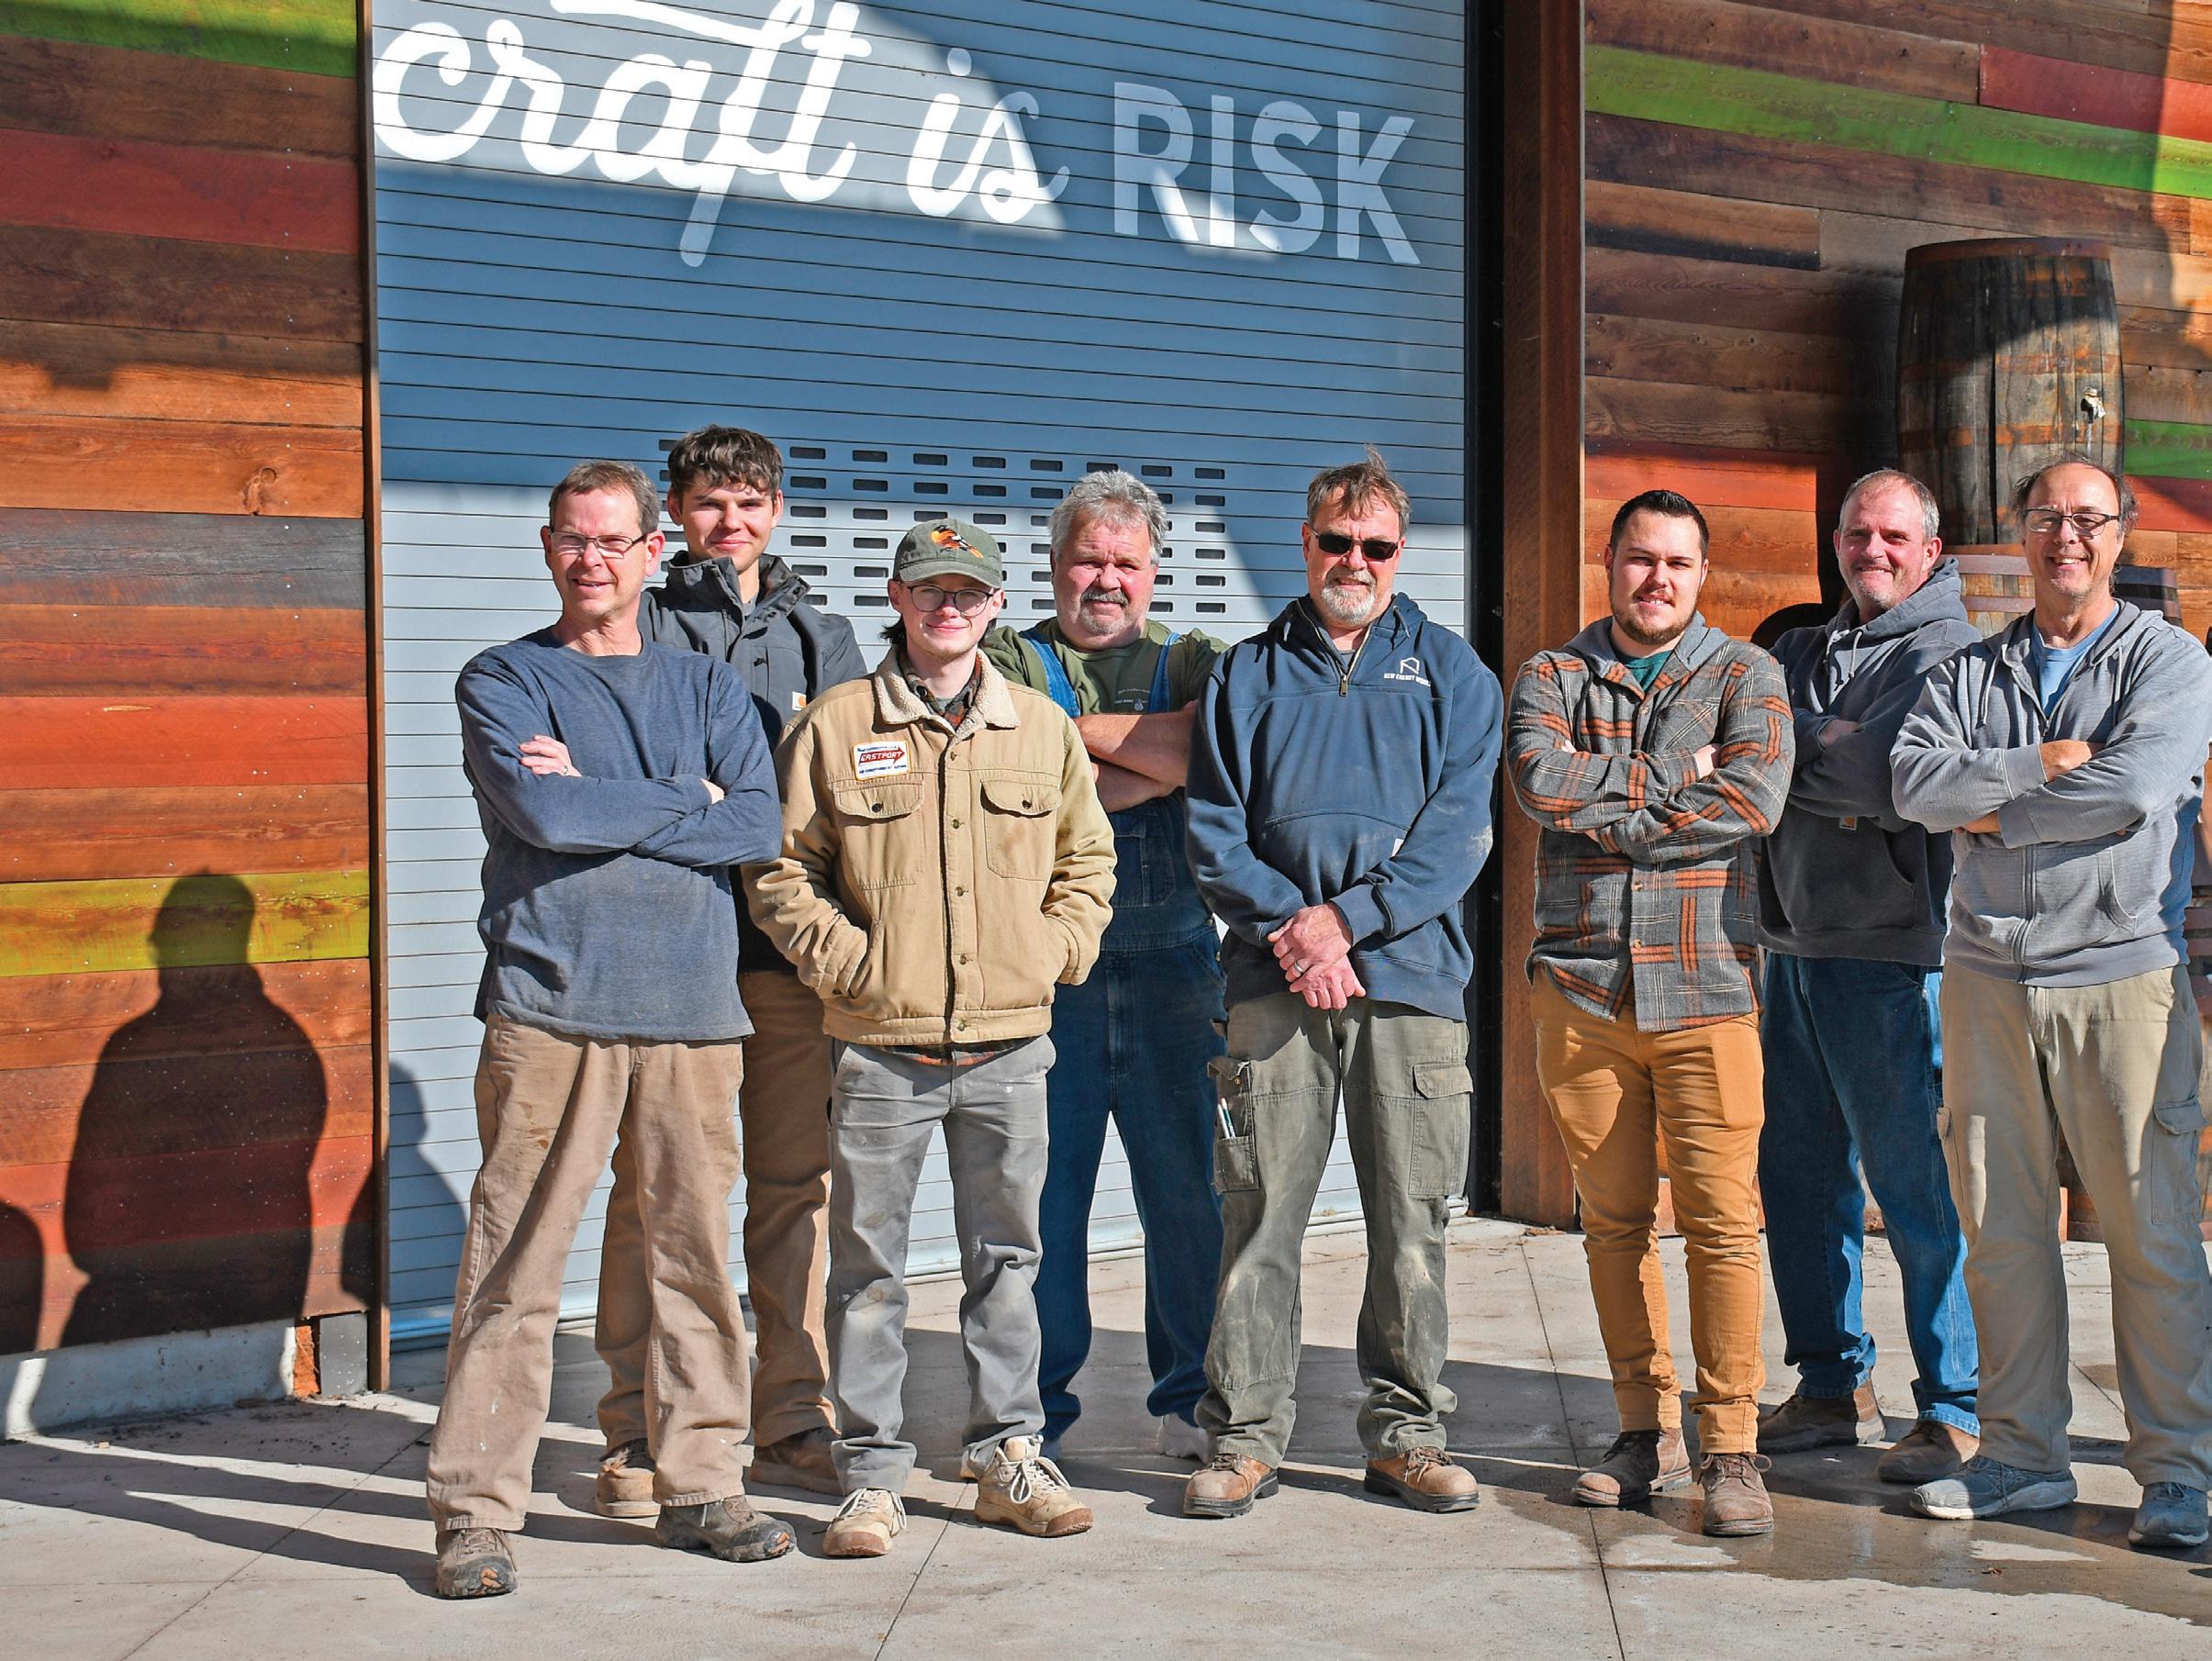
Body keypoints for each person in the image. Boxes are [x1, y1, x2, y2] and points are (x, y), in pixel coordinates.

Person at [425, 460, 787, 1598]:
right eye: (573, 540)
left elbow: (757, 826)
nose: (592, 559)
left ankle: (702, 1485)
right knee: (514, 1269)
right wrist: (687, 794)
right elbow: (544, 810)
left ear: (649, 552)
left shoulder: (709, 687)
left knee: (694, 1262)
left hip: (692, 1016)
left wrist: (613, 796)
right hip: (551, 1013)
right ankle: (475, 1511)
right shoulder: (505, 677)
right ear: (549, 548)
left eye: (612, 541)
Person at [752, 518, 1116, 1557]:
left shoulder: (1041, 729)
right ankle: (870, 1477)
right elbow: (780, 867)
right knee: (867, 1273)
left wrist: (1053, 954)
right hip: (881, 1050)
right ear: (897, 599)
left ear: (996, 605)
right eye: (929, 589)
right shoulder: (836, 724)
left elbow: (1087, 862)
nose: (948, 607)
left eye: (968, 592)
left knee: (1009, 1260)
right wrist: (851, 966)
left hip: (1011, 1047)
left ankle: (1007, 1455)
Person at [1892, 454, 2212, 1549]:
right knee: (2001, 1229)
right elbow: (1914, 784)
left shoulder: (2167, 660)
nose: (2064, 536)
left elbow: (2134, 786)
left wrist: (1993, 808)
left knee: (2150, 1231)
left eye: (2087, 518)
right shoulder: (1970, 670)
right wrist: (2040, 762)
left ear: (2120, 533)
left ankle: (2176, 1472)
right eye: (2045, 517)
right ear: (2020, 531)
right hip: (1985, 976)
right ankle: (2022, 1456)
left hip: (2119, 975)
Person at [1180, 451, 1503, 1520]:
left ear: (1399, 555)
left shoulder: (1454, 674)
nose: (1353, 560)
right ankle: (1242, 1437)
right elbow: (1214, 833)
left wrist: (1346, 923)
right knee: (1257, 1215)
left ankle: (1407, 1434)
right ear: (1305, 543)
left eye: (1375, 545)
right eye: (1335, 541)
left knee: (1410, 1225)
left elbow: (1457, 837)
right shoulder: (1244, 674)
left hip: (1410, 987)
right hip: (1271, 986)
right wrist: (1295, 931)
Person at [588, 426, 868, 1511]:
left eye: (750, 502)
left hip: (789, 963)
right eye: (709, 502)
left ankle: (792, 1416)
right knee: (659, 1194)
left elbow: (851, 796)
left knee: (795, 1192)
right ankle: (636, 1426)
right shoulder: (640, 622)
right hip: (673, 957)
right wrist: (703, 802)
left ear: (778, 511)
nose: (730, 522)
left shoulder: (823, 637)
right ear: (674, 512)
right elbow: (617, 783)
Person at [1506, 488, 1793, 1537]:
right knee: (1613, 1222)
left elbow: (1754, 798)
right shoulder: (1551, 674)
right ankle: (1644, 1429)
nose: (1656, 578)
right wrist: (1681, 772)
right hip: (1583, 990)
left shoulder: (1747, 674)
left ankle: (1731, 1445)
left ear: (1701, 573)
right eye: (1640, 558)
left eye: (1676, 561)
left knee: (1721, 1222)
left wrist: (1617, 815)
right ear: (1610, 562)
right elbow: (1542, 784)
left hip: (1707, 990)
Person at [981, 469, 1226, 1464]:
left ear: (1154, 571)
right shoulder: (1006, 654)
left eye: (1127, 562)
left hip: (1178, 969)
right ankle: (1036, 1417)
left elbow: (1215, 754)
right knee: (1042, 1204)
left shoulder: (1196, 660)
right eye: (1089, 559)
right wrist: (1154, 763)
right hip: (1048, 979)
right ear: (1055, 564)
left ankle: (1190, 1400)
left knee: (1190, 1197)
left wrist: (1070, 752)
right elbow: (1012, 776)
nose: (1107, 579)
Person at [1755, 469, 1982, 1483]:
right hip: (1791, 943)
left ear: (1930, 550)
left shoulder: (1951, 653)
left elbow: (1894, 779)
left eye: (1892, 536)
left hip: (1891, 954)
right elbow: (1747, 750)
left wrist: (1792, 750)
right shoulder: (1799, 647)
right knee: (1801, 1182)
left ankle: (1954, 1404)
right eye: (1856, 534)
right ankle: (1828, 1383)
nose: (1871, 551)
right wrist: (1821, 751)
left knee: (1914, 1187)